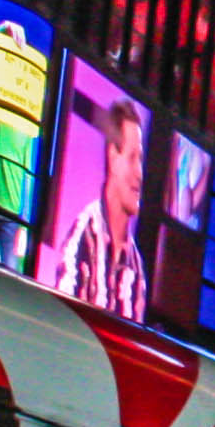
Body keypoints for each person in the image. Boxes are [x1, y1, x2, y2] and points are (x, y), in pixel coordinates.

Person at [46, 96, 152, 320]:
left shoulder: (136, 265)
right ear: (113, 157)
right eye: (133, 158)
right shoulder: (82, 238)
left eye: (141, 160)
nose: (140, 174)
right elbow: (62, 322)